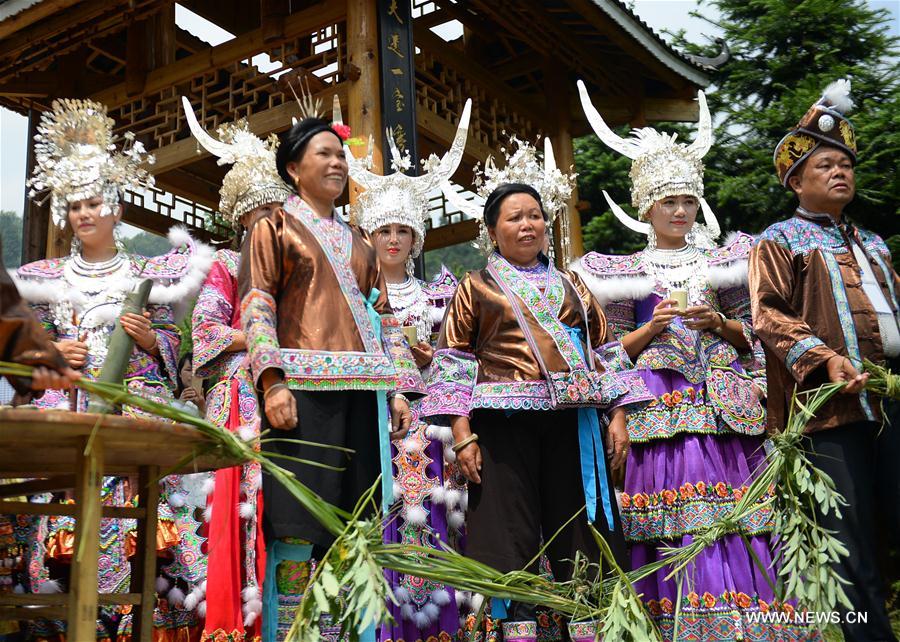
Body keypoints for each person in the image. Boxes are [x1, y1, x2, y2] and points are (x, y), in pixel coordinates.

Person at [572, 81, 814, 641]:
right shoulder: (619, 274)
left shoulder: (726, 262)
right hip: (658, 407)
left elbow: (758, 333)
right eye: (667, 202)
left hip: (725, 408)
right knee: (673, 522)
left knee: (739, 517)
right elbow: (606, 352)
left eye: (686, 201)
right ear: (646, 207)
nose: (679, 211)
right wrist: (650, 331)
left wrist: (722, 325)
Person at [13, 98, 213, 642]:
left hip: (133, 416)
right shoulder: (41, 276)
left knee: (152, 536)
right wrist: (53, 358)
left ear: (117, 209)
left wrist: (152, 343)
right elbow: (20, 353)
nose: (84, 213)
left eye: (94, 202)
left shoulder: (152, 275)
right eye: (74, 203)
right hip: (69, 414)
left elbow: (177, 347)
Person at [422, 177, 645, 642]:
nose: (528, 225)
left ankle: (586, 627)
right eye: (515, 218)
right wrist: (462, 434)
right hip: (503, 428)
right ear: (492, 230)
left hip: (573, 423)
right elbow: (454, 362)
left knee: (580, 532)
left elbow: (604, 349)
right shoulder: (477, 286)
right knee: (510, 537)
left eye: (535, 216)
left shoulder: (571, 284)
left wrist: (619, 415)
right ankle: (515, 631)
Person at [238, 97, 425, 641]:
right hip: (302, 395)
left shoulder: (361, 242)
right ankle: (295, 629)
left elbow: (385, 320)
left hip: (363, 394)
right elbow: (257, 305)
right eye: (324, 153)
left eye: (342, 155)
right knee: (297, 522)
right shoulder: (273, 228)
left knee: (355, 521)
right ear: (294, 169)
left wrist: (398, 391)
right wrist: (271, 382)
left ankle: (346, 629)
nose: (338, 163)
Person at [750, 79, 900, 642]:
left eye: (845, 164)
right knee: (850, 537)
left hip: (888, 400)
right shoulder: (780, 240)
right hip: (827, 412)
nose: (840, 172)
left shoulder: (875, 244)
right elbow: (767, 316)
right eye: (824, 165)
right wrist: (825, 359)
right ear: (796, 180)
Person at [348, 114, 472, 639]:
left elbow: (462, 360)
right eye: (383, 230)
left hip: (430, 430)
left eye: (403, 230)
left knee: (435, 527)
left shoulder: (443, 292)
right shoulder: (352, 297)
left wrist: (429, 360)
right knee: (378, 519)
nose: (393, 239)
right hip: (372, 422)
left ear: (418, 237)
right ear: (368, 235)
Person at [183, 99, 293, 642]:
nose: (271, 222)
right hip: (240, 398)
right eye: (260, 216)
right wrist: (262, 335)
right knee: (242, 509)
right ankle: (239, 623)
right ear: (242, 220)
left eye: (278, 213)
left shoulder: (297, 267)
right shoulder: (225, 266)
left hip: (294, 394)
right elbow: (205, 332)